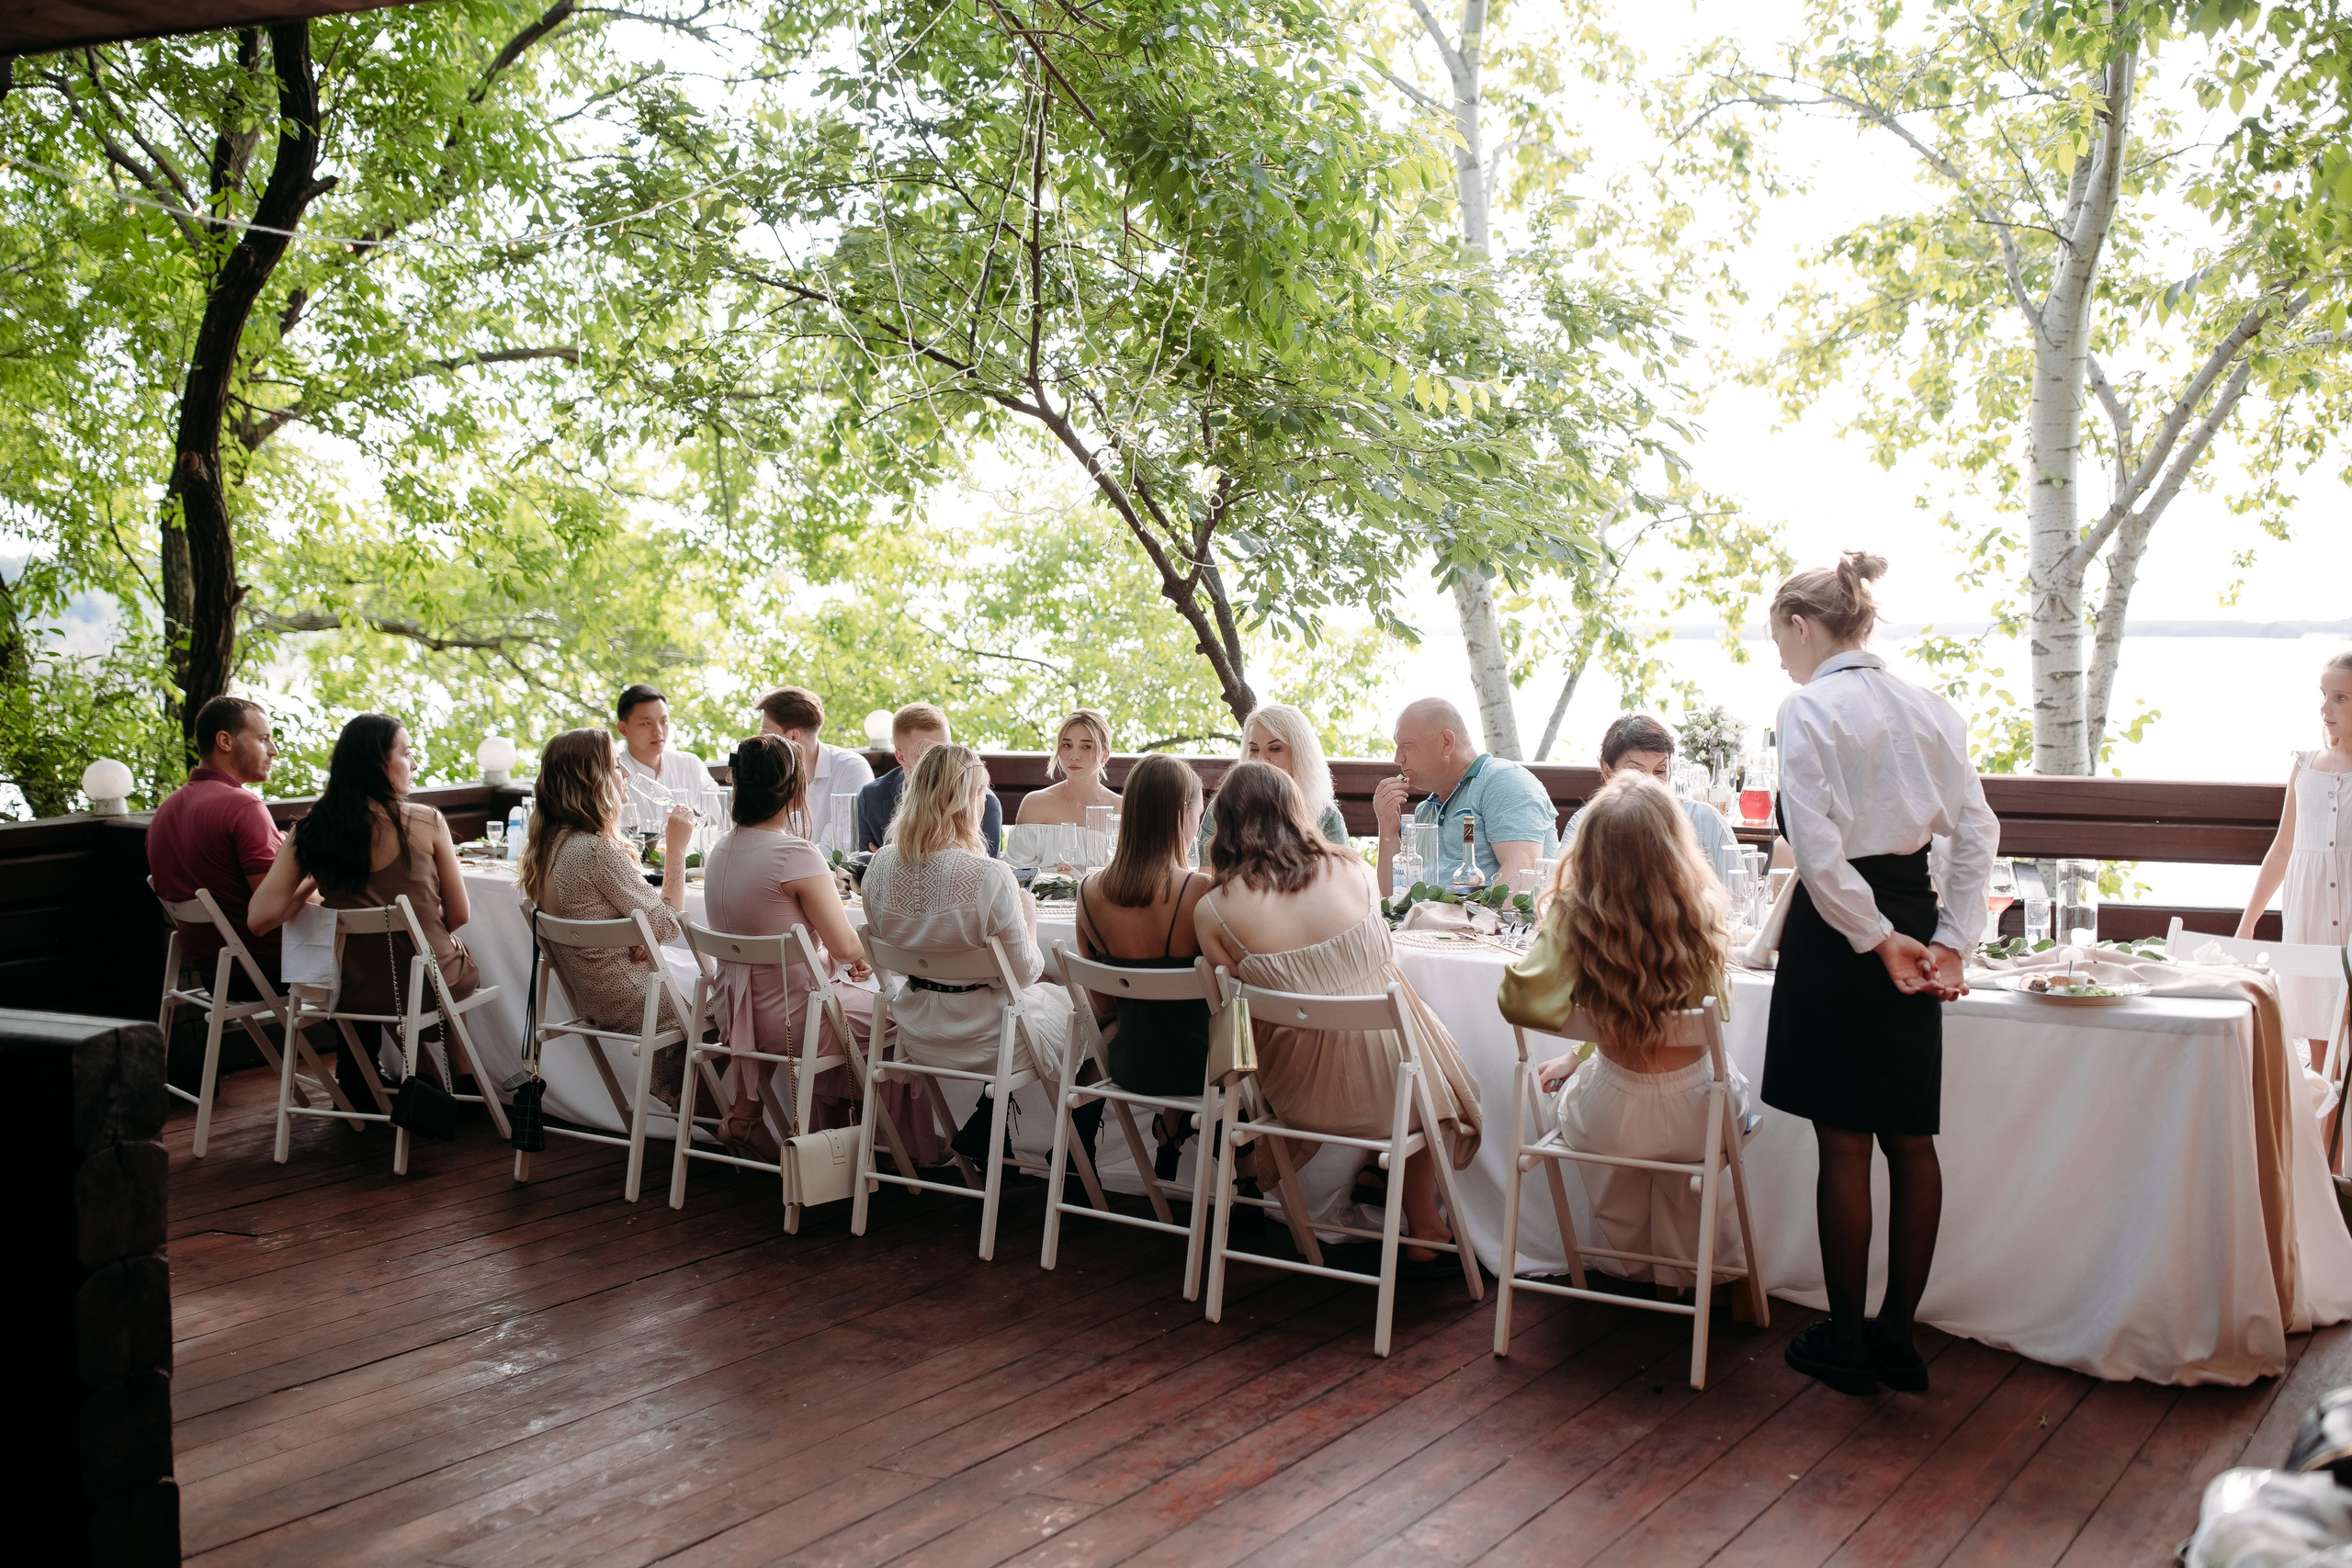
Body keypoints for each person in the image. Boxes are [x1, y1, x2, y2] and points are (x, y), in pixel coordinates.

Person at [1761, 551, 1996, 1398]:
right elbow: (1978, 832)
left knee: (1844, 1139)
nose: (1781, 658)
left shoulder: (1807, 705)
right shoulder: (1932, 707)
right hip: (1915, 910)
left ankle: (1848, 1339)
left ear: (1801, 623)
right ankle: (1899, 1338)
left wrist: (1871, 936)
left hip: (1840, 930)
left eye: (1778, 638)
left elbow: (1817, 849)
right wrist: (1951, 938)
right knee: (1910, 1135)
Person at [1195, 760, 1483, 1269]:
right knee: (1421, 1054)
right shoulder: (1351, 869)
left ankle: (1254, 1176)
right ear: (1295, 811)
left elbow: (1231, 1010)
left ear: (1226, 825)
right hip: (1395, 1088)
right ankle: (1423, 1221)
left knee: (1406, 1051)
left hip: (1298, 1095)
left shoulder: (1213, 909)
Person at [1499, 773, 1750, 1289]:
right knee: (1731, 1101)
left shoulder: (1574, 916)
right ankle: (1693, 1273)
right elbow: (1712, 1019)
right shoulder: (1701, 914)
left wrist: (1586, 1041)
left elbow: (1517, 1001)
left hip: (1610, 1117)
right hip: (1695, 1120)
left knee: (1572, 1105)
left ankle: (1626, 1264)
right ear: (1674, 847)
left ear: (1588, 851)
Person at [701, 734, 945, 1165]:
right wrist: (861, 958)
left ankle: (825, 1135)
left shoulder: (721, 848)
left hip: (736, 1013)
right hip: (794, 1023)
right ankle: (905, 1146)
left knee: (851, 1003)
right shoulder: (794, 853)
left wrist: (837, 961)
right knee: (903, 1014)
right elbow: (849, 945)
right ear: (795, 788)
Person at [862, 743, 1073, 1160]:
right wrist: (1027, 912)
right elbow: (1026, 973)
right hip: (987, 1038)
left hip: (917, 1031)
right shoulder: (989, 875)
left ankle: (991, 1126)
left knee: (1020, 1003)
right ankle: (1067, 1155)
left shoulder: (880, 865)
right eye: (982, 794)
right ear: (967, 801)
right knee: (1081, 1014)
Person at [248, 715, 481, 1089]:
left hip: (359, 992)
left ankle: (423, 1076)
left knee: (390, 971)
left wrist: (315, 872)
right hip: (432, 982)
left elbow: (259, 919)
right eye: (406, 754)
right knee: (435, 962)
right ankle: (465, 1075)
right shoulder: (426, 820)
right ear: (378, 763)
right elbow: (459, 914)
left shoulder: (310, 832)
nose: (415, 764)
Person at [514, 727, 697, 1105]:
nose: (626, 773)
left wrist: (634, 934)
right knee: (737, 998)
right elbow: (667, 923)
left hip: (596, 997)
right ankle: (734, 1119)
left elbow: (640, 926)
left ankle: (718, 1114)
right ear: (592, 780)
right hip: (639, 1001)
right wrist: (677, 848)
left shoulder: (548, 847)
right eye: (616, 765)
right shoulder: (596, 849)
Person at [1076, 752, 1214, 1177]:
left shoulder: (1089, 890)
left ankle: (1081, 1152)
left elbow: (1104, 1002)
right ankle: (1242, 1186)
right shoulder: (1199, 890)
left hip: (1129, 1063)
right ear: (1181, 814)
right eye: (1198, 809)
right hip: (1200, 1069)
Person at [2238, 650, 2352, 1047]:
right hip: (2310, 924)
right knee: (2320, 1047)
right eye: (2323, 694)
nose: (2325, 707)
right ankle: (2324, 1113)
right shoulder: (2305, 767)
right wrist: (2248, 923)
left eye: (2341, 697)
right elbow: (2283, 848)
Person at [149, 694, 299, 986]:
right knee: (373, 954)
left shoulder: (165, 810)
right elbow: (273, 904)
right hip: (268, 967)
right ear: (225, 742)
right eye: (263, 739)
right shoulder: (244, 808)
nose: (274, 751)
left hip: (212, 970)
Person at [1373, 697, 1559, 893]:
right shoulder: (1425, 811)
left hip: (1484, 922)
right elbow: (1389, 898)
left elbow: (1522, 876)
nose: (1397, 758)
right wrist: (1388, 827)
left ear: (1446, 742)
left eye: (1407, 745)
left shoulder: (1504, 781)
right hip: (1426, 921)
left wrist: (1467, 922)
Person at [1564, 714, 1739, 882]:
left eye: (1660, 771)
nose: (1650, 783)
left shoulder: (1707, 821)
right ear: (1607, 770)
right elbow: (1562, 897)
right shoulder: (1584, 823)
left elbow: (1739, 897)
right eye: (1636, 772)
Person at [1197, 703, 1350, 858]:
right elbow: (1206, 876)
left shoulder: (1326, 815)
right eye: (1254, 749)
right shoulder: (1223, 807)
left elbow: (1345, 877)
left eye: (1275, 749)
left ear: (1300, 754)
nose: (1261, 759)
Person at [856, 703, 1004, 855]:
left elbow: (986, 869)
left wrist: (889, 856)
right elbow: (863, 867)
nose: (938, 761)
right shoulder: (871, 797)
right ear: (901, 757)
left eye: (945, 750)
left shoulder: (980, 800)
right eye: (926, 755)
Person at [755, 685, 875, 852]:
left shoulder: (851, 769)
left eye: (766, 731)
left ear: (793, 737)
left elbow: (837, 849)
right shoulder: (766, 771)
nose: (760, 738)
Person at [614, 683, 720, 825]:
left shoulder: (690, 765)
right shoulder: (613, 774)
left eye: (664, 721)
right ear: (623, 729)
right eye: (646, 723)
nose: (658, 731)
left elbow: (719, 817)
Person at [1013, 709, 1120, 827]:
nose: (1074, 756)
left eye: (1086, 747)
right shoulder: (1035, 804)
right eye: (1067, 745)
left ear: (1105, 755)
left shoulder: (1122, 808)